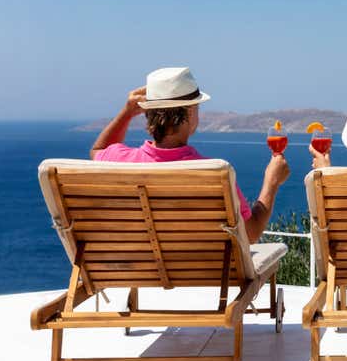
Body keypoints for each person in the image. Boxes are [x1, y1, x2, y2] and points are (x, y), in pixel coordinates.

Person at [91, 67, 290, 240]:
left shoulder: (118, 159)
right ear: (188, 113)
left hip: (138, 273)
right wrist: (271, 182)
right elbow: (252, 233)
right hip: (202, 274)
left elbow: (98, 152)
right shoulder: (214, 172)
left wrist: (125, 113)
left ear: (147, 113)